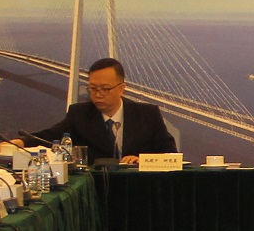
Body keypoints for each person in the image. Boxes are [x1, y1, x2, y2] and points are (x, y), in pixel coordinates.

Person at [35, 58, 179, 163]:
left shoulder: (147, 115)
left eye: (105, 89)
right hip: (97, 189)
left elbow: (171, 155)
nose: (98, 94)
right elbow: (48, 137)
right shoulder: (79, 114)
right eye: (93, 88)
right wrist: (23, 141)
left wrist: (143, 160)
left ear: (122, 89)